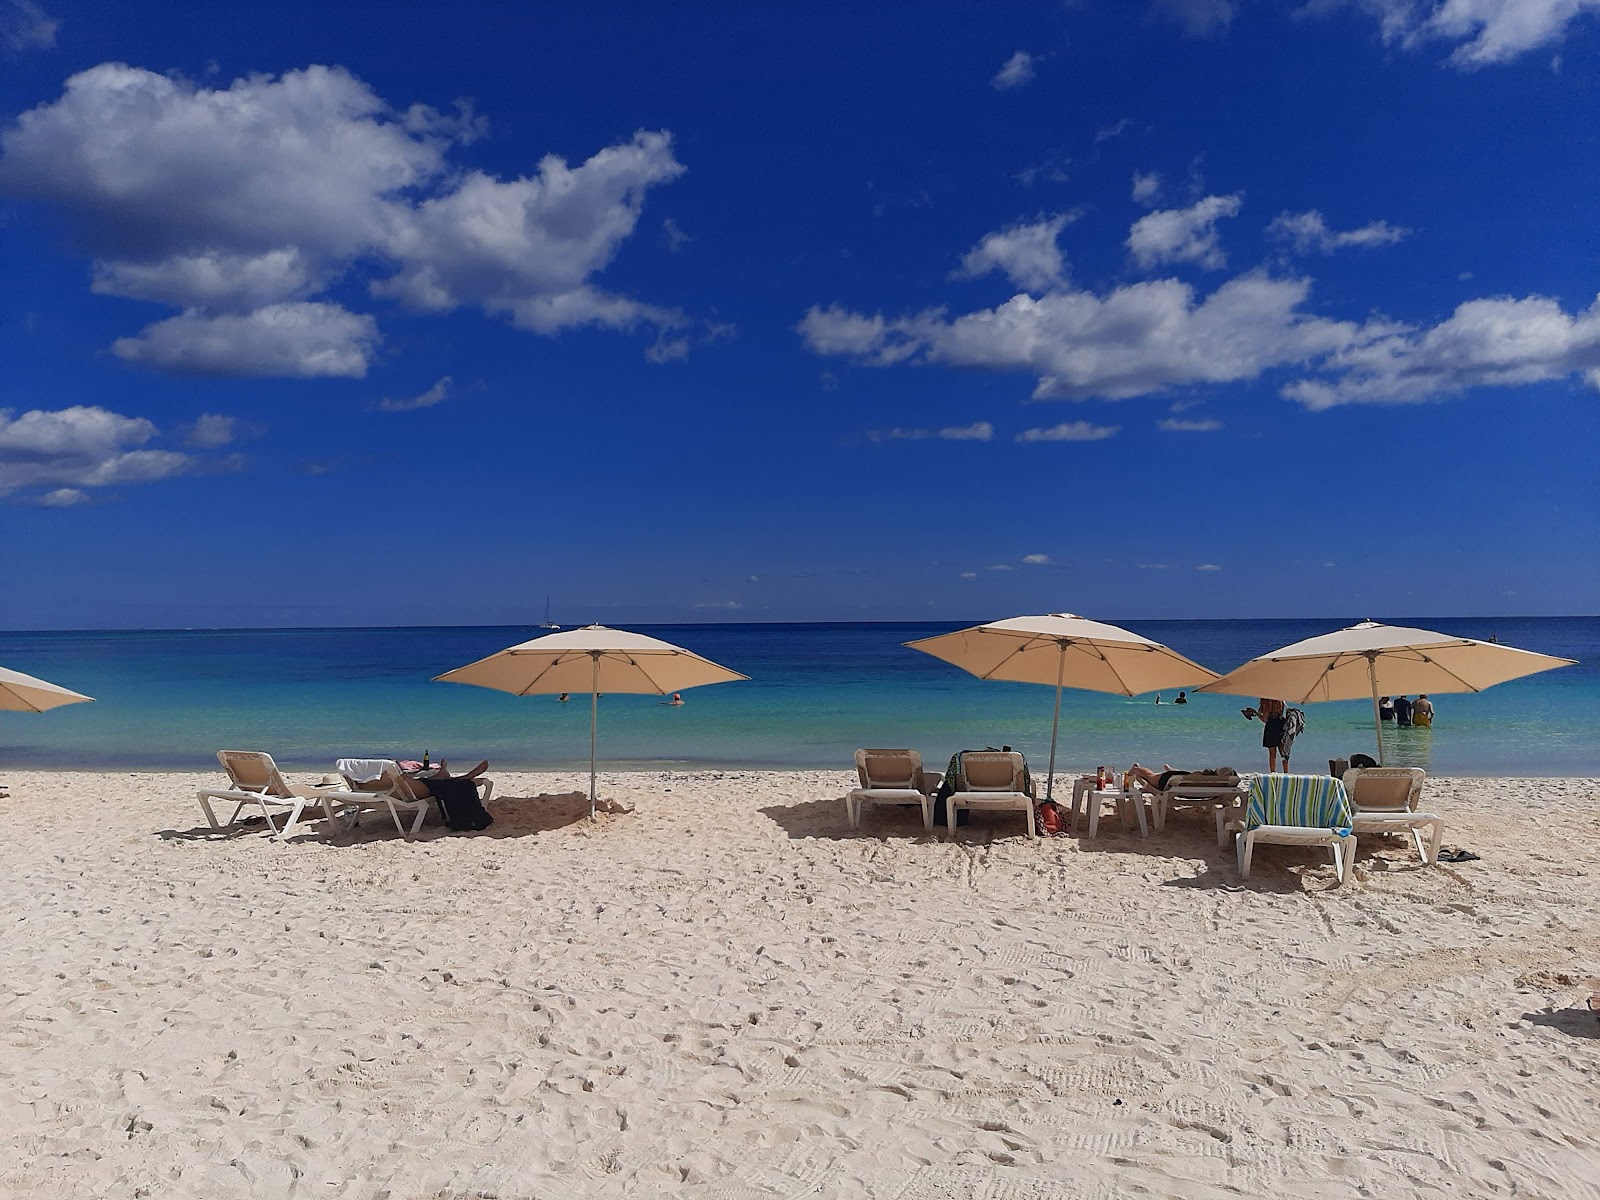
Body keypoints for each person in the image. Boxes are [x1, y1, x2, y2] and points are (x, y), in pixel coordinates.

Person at [1243, 698, 1288, 771]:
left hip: (1271, 727)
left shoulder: (1268, 703)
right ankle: (1286, 772)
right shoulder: (1280, 701)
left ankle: (1273, 772)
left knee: (1272, 753)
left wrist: (1255, 712)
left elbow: (1265, 719)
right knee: (1283, 752)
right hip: (1281, 725)